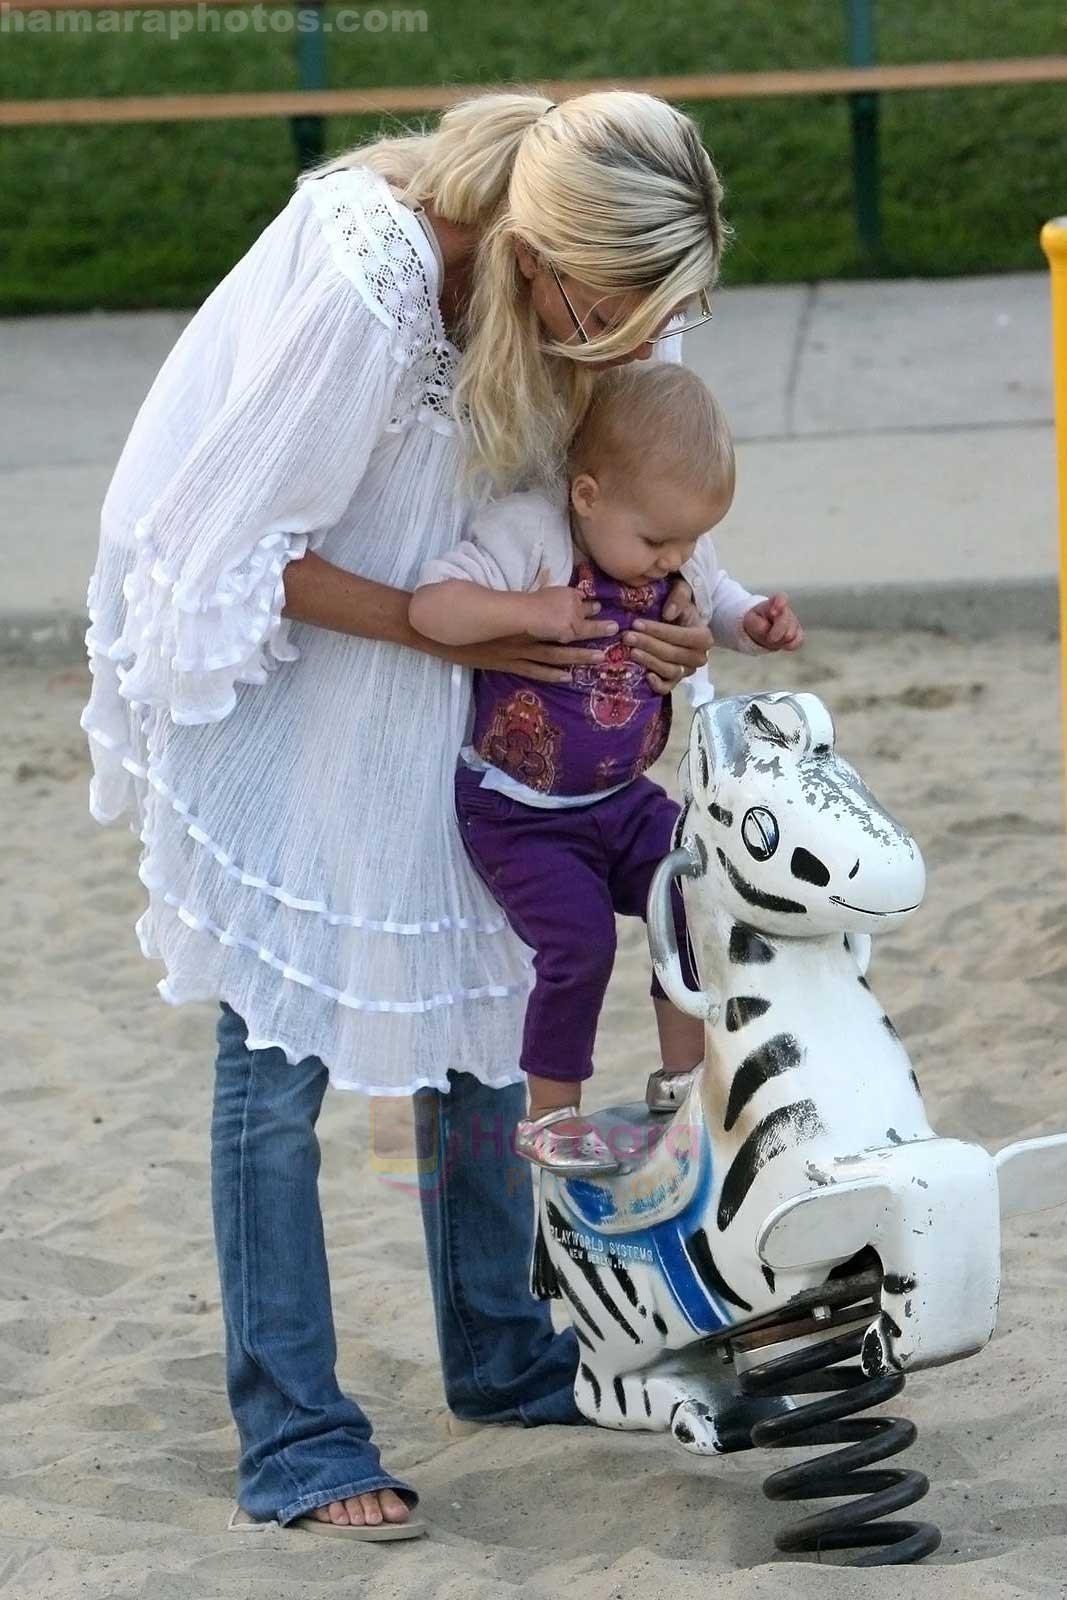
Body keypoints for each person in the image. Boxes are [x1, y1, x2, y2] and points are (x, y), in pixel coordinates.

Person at [80, 88, 732, 1538]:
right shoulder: (367, 281)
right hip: (295, 673)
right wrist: (457, 635)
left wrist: (668, 608)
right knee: (281, 1060)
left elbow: (617, 493)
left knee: (476, 1012)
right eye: (619, 307)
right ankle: (296, 1435)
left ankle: (498, 1351)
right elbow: (227, 547)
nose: (640, 341)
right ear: (535, 256)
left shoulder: (608, 289)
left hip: (473, 684)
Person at [410, 364, 803, 1174]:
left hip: (620, 797)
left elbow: (717, 594)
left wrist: (747, 621)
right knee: (580, 942)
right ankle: (551, 1113)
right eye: (657, 541)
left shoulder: (670, 545)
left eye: (688, 541)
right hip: (519, 813)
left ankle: (683, 1073)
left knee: (695, 888)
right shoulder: (529, 536)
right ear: (586, 496)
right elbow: (431, 607)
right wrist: (523, 612)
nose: (673, 559)